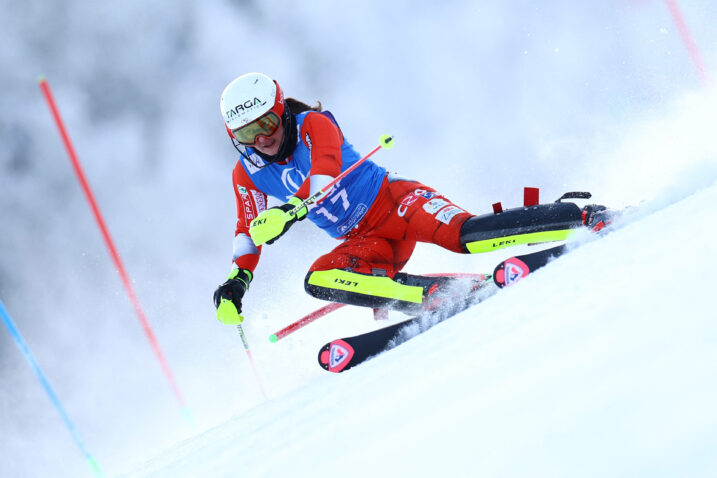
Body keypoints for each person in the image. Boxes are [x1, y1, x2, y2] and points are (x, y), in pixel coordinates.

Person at [213, 72, 610, 324]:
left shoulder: (314, 124)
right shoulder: (245, 173)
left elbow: (326, 172)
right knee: (318, 279)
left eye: (266, 123)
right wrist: (237, 280)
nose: (262, 138)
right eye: (248, 134)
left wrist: (288, 211)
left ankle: (579, 216)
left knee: (465, 237)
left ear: (281, 112)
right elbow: (246, 228)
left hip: (396, 204)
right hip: (364, 241)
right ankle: (430, 296)